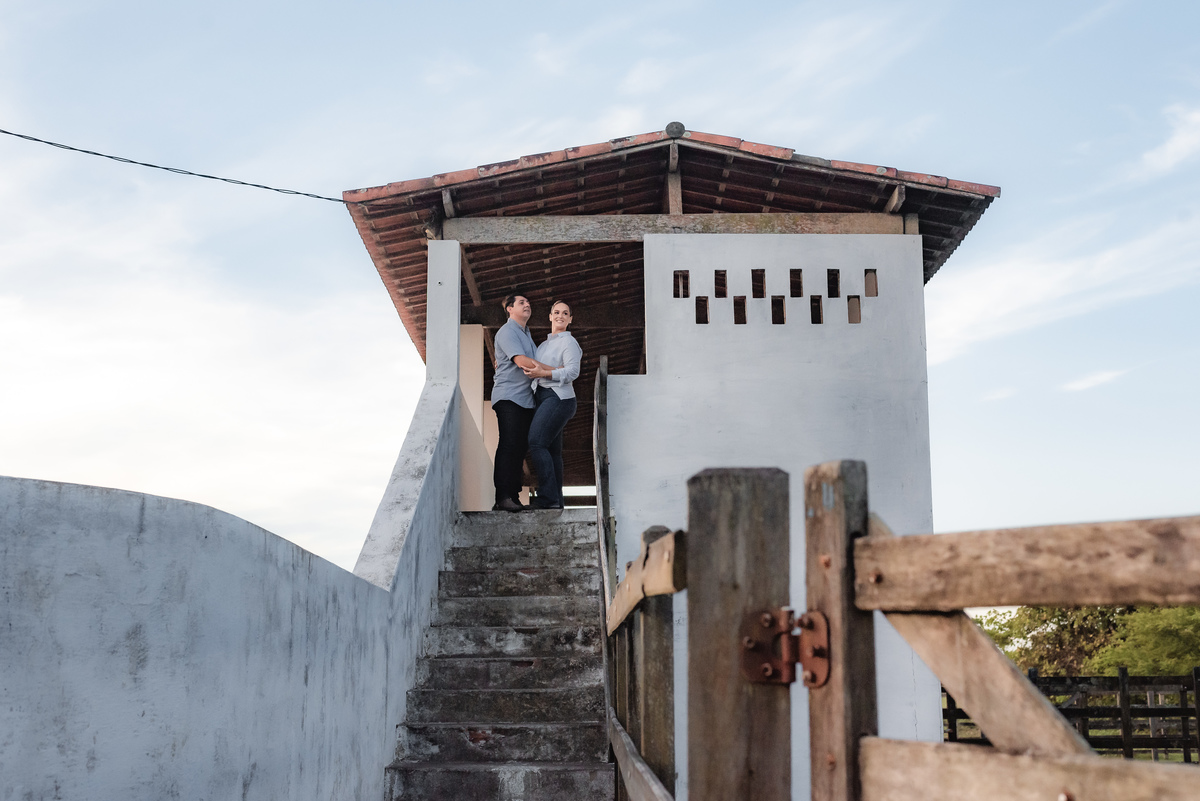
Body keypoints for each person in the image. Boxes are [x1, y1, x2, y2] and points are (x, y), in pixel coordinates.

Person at [522, 300, 582, 510]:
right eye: (556, 312)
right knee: (552, 451)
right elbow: (531, 369)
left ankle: (547, 498)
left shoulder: (569, 343)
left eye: (565, 313)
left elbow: (573, 372)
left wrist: (545, 373)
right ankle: (557, 501)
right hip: (543, 397)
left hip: (559, 397)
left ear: (570, 319)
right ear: (550, 316)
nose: (560, 316)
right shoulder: (543, 346)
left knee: (536, 442)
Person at [491, 292, 538, 512]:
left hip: (525, 399)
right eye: (521, 303)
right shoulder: (508, 331)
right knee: (509, 445)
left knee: (519, 449)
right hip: (509, 397)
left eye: (528, 302)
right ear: (509, 309)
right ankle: (502, 498)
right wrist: (557, 371)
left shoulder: (526, 334)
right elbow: (522, 362)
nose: (527, 304)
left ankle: (514, 497)